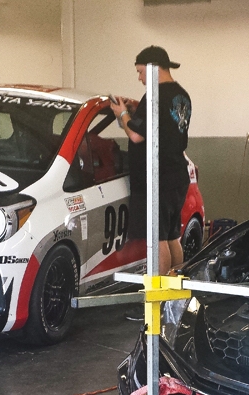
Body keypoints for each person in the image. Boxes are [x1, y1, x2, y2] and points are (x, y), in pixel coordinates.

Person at [110, 45, 192, 276]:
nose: (140, 78)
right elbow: (161, 127)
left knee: (157, 240)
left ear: (153, 68)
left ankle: (156, 294)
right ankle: (173, 289)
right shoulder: (182, 95)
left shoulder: (155, 96)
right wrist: (134, 113)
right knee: (171, 236)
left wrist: (122, 114)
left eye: (141, 72)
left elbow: (137, 136)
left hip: (158, 178)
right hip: (177, 174)